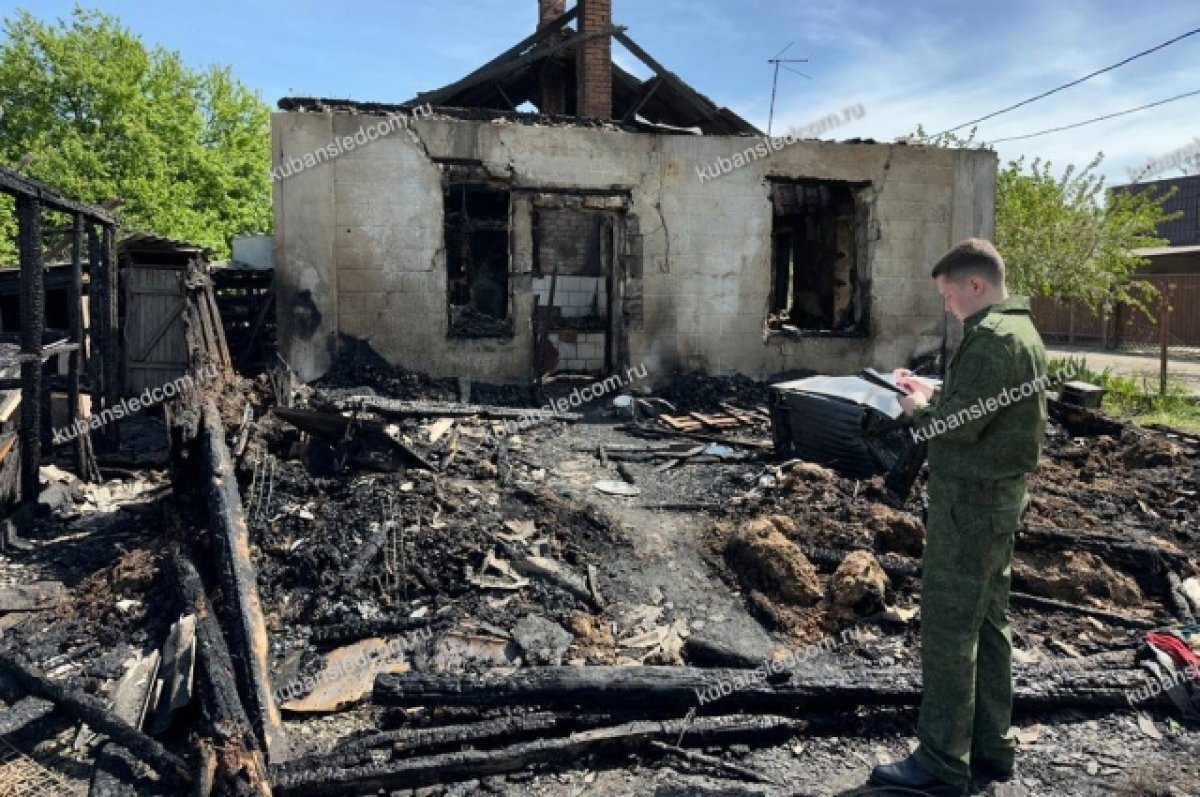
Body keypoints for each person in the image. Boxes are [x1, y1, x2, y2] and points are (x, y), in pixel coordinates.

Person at [869, 238, 1048, 796]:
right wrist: (933, 390)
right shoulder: (1021, 332)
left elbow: (956, 426)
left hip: (968, 505)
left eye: (949, 295)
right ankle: (992, 749)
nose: (947, 306)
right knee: (990, 626)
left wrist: (915, 408)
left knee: (949, 630)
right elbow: (982, 406)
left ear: (975, 286)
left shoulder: (991, 339)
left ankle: (942, 764)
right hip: (996, 503)